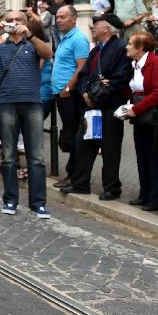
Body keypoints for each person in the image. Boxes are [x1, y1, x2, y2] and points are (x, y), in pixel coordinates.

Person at [0, 9, 53, 218]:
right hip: (7, 104)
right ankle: (10, 200)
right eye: (9, 20)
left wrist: (30, 34)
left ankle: (38, 203)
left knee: (36, 157)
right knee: (9, 157)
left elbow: (48, 54)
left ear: (26, 22)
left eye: (18, 19)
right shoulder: (1, 47)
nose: (14, 23)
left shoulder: (33, 43)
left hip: (32, 104)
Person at [61, 14, 132, 200]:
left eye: (96, 25)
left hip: (111, 105)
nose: (93, 27)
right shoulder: (95, 50)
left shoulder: (121, 48)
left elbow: (122, 78)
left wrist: (99, 94)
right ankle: (80, 183)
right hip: (91, 106)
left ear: (107, 28)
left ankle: (112, 188)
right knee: (84, 142)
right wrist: (85, 93)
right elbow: (84, 74)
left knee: (110, 147)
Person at [122, 31, 158, 211]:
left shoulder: (155, 62)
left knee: (155, 158)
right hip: (141, 116)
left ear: (140, 47)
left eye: (130, 43)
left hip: (155, 116)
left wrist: (136, 109)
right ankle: (145, 194)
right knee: (142, 156)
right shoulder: (135, 64)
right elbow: (134, 90)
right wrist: (128, 107)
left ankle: (157, 199)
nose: (126, 46)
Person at [50, 5, 90, 187]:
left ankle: (74, 175)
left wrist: (67, 88)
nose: (58, 20)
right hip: (62, 94)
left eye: (63, 17)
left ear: (73, 19)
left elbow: (81, 67)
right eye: (57, 17)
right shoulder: (65, 38)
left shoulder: (79, 39)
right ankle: (72, 173)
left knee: (73, 135)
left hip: (71, 95)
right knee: (69, 133)